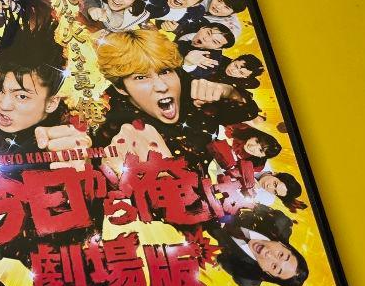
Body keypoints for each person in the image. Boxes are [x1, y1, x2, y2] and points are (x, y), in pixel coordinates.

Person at [90, 28, 262, 177]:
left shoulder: (187, 86)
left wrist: (229, 92)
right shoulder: (109, 116)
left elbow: (248, 111)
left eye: (165, 72)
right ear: (121, 88)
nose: (161, 86)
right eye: (141, 77)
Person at [206, 204, 308, 286]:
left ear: (269, 274)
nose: (268, 254)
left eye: (274, 266)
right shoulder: (279, 222)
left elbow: (222, 260)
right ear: (283, 245)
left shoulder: (246, 276)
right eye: (281, 254)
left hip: (208, 222)